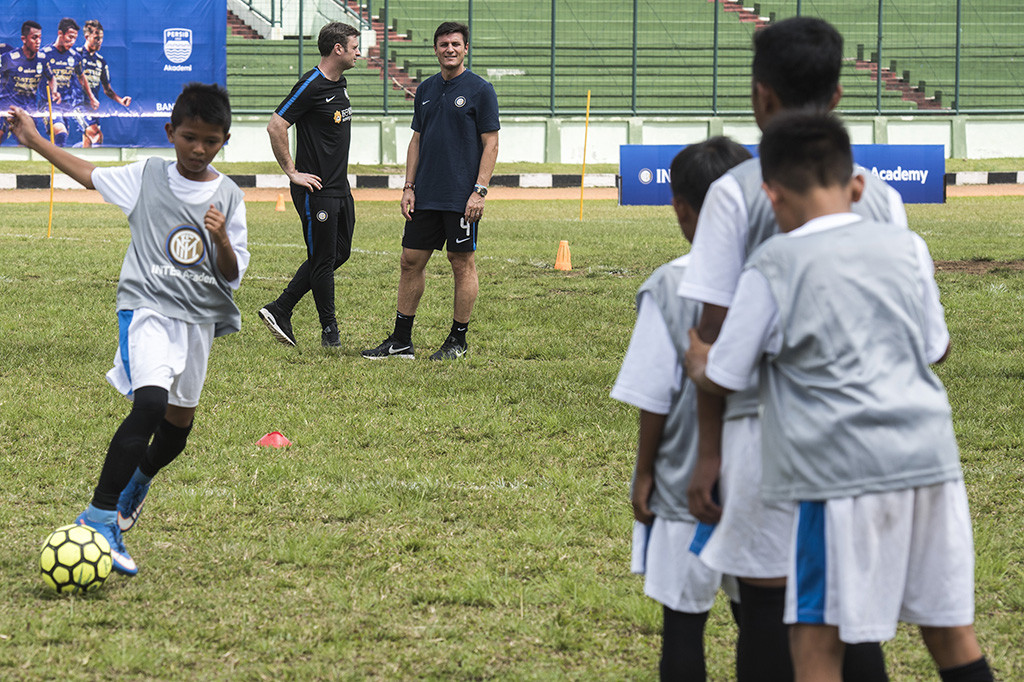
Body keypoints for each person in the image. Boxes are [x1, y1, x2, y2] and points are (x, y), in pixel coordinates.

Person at [685, 111, 993, 682]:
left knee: (816, 642)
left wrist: (697, 356)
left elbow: (725, 375)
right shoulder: (908, 247)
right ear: (857, 186)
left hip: (836, 475)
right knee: (951, 633)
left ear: (771, 198)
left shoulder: (772, 263)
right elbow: (936, 347)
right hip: (931, 462)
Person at [677, 17, 898, 681]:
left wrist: (707, 453)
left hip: (763, 435)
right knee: (847, 610)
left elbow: (711, 337)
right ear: (837, 98)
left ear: (760, 96)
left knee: (769, 610)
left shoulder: (733, 195)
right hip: (862, 434)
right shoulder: (879, 197)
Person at [6, 82, 249, 576]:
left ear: (224, 139)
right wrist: (34, 140)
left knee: (177, 434)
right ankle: (99, 518)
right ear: (170, 133)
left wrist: (221, 237)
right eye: (188, 138)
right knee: (150, 405)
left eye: (210, 140)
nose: (198, 149)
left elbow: (231, 274)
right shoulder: (146, 176)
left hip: (197, 322)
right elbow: (88, 173)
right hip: (146, 311)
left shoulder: (228, 195)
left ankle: (138, 482)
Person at [611, 137, 750, 680]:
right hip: (768, 482)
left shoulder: (671, 284)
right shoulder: (780, 271)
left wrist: (644, 473)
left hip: (686, 487)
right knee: (761, 621)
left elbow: (654, 394)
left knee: (684, 627)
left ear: (682, 209)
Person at [362, 21, 499, 361]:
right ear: (435, 49)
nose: (449, 49)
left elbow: (491, 143)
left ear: (466, 48)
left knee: (460, 262)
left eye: (455, 44)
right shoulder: (424, 89)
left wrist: (479, 190)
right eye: (443, 44)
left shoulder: (481, 90)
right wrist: (408, 186)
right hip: (425, 193)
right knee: (410, 261)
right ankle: (401, 341)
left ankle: (457, 341)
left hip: (461, 195)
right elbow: (417, 140)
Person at [258, 22, 361, 349]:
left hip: (339, 188)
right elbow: (276, 126)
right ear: (338, 49)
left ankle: (281, 307)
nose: (360, 52)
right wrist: (292, 172)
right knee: (322, 258)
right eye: (355, 46)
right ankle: (330, 331)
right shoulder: (310, 85)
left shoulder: (340, 83)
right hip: (315, 191)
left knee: (338, 253)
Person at [40, 18, 96, 147]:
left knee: (62, 139)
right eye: (70, 37)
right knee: (61, 132)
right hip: (49, 105)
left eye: (75, 38)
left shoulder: (74, 56)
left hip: (67, 105)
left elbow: (82, 77)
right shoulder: (44, 54)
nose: (72, 41)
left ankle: (57, 163)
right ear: (60, 33)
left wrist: (92, 98)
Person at [76, 19, 132, 147]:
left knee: (88, 141)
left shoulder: (101, 62)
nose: (99, 41)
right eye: (96, 38)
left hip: (92, 107)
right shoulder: (76, 55)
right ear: (86, 37)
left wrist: (121, 100)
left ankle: (84, 165)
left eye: (101, 38)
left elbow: (107, 90)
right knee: (96, 134)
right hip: (77, 105)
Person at [0, 21, 56, 144]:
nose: (38, 41)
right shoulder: (9, 58)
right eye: (34, 37)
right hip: (7, 108)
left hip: (28, 110)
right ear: (24, 39)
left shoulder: (42, 59)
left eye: (40, 37)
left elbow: (51, 78)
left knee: (29, 143)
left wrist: (54, 91)